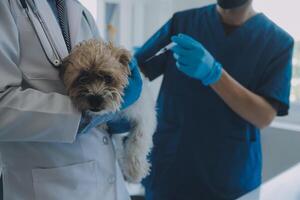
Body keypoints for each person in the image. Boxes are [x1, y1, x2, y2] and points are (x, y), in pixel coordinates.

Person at [135, 0, 294, 199]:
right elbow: (137, 70)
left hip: (229, 178)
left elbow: (264, 116)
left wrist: (214, 74)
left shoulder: (277, 42)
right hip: (171, 171)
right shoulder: (183, 23)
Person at [0, 0, 142, 199]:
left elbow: (108, 75)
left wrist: (115, 116)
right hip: (46, 189)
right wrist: (85, 117)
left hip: (108, 183)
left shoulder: (79, 11)